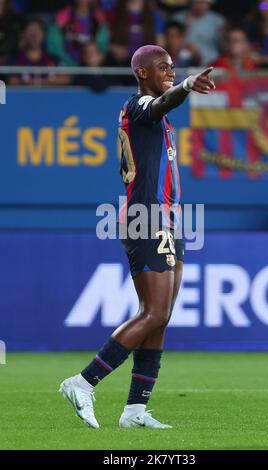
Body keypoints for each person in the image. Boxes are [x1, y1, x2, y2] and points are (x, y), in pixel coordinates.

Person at [59, 44, 215, 429]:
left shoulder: (154, 115)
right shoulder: (138, 106)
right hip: (147, 220)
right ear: (142, 72)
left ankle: (135, 411)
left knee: (161, 319)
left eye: (173, 67)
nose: (170, 71)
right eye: (162, 67)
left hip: (168, 220)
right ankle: (82, 382)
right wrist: (187, 86)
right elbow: (161, 104)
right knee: (154, 312)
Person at [9, 18, 71, 86]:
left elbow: (66, 79)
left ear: (43, 35)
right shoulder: (16, 58)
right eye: (30, 31)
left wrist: (35, 83)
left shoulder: (52, 58)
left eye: (37, 31)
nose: (34, 35)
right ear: (23, 34)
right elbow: (12, 81)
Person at [47, 0, 109, 66]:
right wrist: (71, 64)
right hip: (66, 64)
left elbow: (102, 48)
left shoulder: (98, 19)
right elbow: (53, 48)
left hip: (90, 66)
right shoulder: (63, 16)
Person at [173, 0, 226, 65]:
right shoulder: (177, 18)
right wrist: (186, 28)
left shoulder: (217, 20)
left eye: (203, 3)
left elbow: (224, 48)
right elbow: (172, 45)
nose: (200, 5)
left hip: (212, 64)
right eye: (197, 2)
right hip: (185, 65)